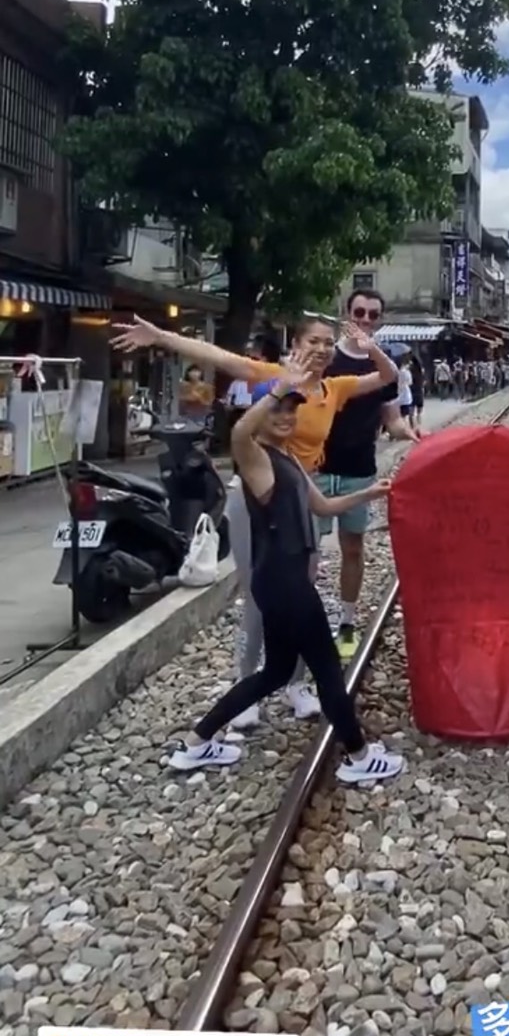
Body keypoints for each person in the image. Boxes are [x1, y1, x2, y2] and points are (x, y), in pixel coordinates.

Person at [109, 311, 398, 721]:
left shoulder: (335, 389)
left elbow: (388, 378)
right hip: (255, 498)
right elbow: (219, 356)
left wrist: (372, 349)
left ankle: (295, 685)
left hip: (301, 497)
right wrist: (161, 336)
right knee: (258, 597)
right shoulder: (273, 375)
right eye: (312, 341)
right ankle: (246, 685)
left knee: (302, 598)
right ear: (295, 345)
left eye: (328, 343)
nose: (320, 349)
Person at [168, 367, 404, 784]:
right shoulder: (253, 454)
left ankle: (195, 743)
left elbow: (322, 508)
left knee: (276, 672)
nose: (285, 416)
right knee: (328, 669)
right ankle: (359, 756)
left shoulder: (287, 456)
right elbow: (240, 431)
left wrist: (370, 493)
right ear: (260, 410)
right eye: (276, 408)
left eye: (291, 409)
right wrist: (278, 385)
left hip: (283, 580)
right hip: (284, 581)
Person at [319, 289, 419, 661]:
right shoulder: (327, 358)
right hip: (316, 468)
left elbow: (390, 420)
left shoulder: (385, 368)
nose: (365, 320)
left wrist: (408, 433)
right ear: (347, 313)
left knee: (353, 548)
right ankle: (306, 622)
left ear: (380, 318)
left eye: (372, 315)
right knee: (307, 553)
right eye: (359, 312)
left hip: (359, 469)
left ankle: (346, 620)